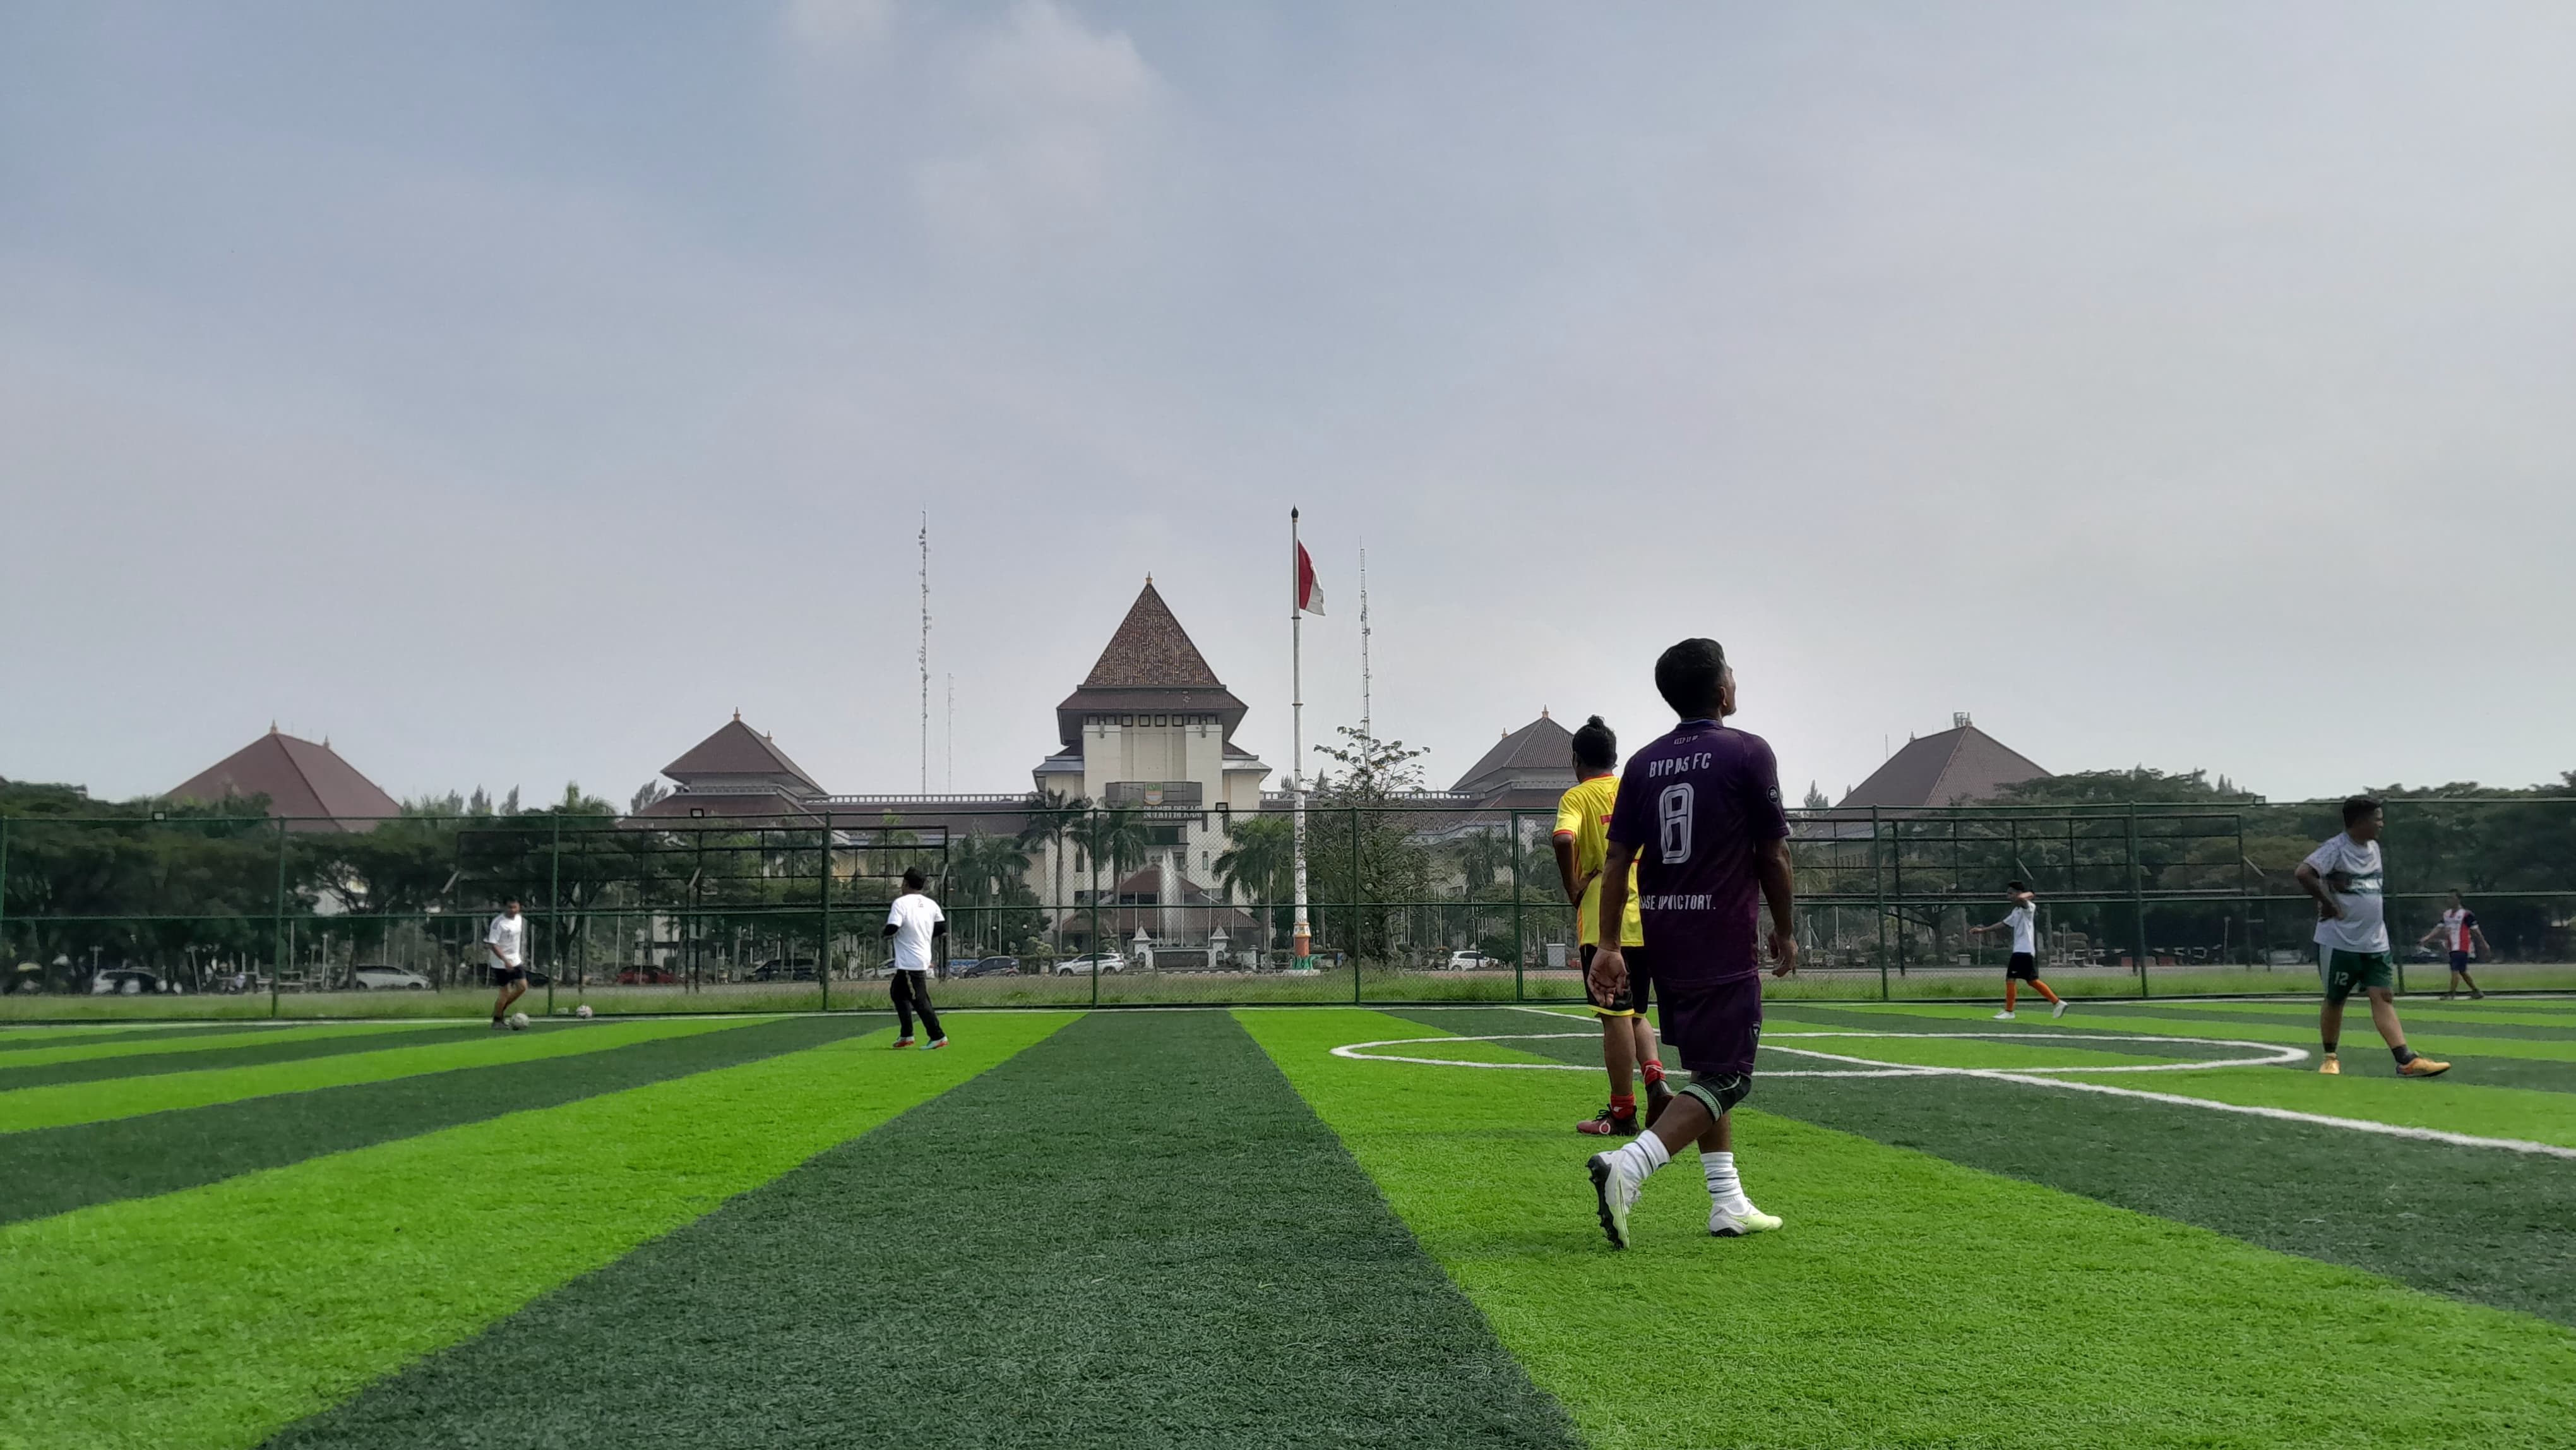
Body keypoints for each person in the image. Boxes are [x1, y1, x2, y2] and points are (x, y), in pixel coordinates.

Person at [1585, 638, 1798, 1247]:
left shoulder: (1643, 762)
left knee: (1706, 1070)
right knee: (1730, 1078)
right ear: (1723, 691)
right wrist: (1785, 930)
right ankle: (1630, 1166)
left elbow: (1618, 859)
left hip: (1662, 937)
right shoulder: (1748, 751)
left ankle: (1728, 1202)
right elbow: (1773, 854)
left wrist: (1609, 945)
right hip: (1721, 937)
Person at [1554, 715, 1670, 1136]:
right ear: (1615, 757)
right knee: (1637, 1011)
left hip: (1605, 921)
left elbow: (1563, 838)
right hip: (1647, 913)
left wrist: (1573, 886)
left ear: (1576, 760)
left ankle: (1622, 1112)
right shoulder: (1634, 790)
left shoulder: (1577, 797)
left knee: (1614, 1014)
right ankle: (1655, 1077)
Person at [2295, 797, 2448, 1078]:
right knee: (2336, 998)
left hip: (2375, 940)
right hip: (2340, 940)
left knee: (2383, 996)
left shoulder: (2374, 848)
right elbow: (2304, 872)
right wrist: (2328, 903)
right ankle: (2330, 1058)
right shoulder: (2336, 848)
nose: (2381, 824)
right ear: (2360, 822)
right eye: (2377, 819)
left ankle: (2406, 1060)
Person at [1971, 882, 2065, 1021]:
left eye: (2010, 893)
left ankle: (2009, 1011)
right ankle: (2057, 1003)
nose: (2008, 896)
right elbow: (2003, 924)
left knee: (2011, 978)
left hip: (2023, 951)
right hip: (2022, 951)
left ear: (2018, 893)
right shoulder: (2016, 911)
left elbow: (2023, 899)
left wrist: (2030, 894)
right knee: (2032, 981)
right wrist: (1982, 930)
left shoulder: (2029, 907)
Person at [884, 866, 949, 1050]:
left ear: (905, 883)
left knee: (919, 999)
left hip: (909, 961)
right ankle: (907, 1035)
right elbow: (942, 928)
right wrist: (923, 936)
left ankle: (938, 1036)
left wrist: (884, 934)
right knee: (898, 993)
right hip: (921, 956)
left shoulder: (901, 903)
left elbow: (893, 927)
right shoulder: (931, 904)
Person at [2418, 891, 2493, 1000]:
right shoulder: (2447, 914)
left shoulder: (2466, 914)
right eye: (2449, 898)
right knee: (2462, 971)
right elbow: (2439, 928)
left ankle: (2451, 993)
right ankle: (2477, 991)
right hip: (2452, 946)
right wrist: (2428, 937)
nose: (2449, 900)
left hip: (2461, 946)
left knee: (2455, 969)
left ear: (2458, 900)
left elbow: (2476, 931)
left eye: (2452, 898)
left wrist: (2484, 943)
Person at [486, 899, 529, 1028]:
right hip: (501, 963)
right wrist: (505, 961)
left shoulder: (519, 919)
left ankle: (499, 1010)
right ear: (504, 908)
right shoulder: (498, 923)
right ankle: (497, 1021)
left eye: (515, 907)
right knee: (505, 992)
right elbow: (493, 944)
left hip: (515, 960)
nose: (513, 910)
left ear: (519, 907)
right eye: (510, 907)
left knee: (522, 987)